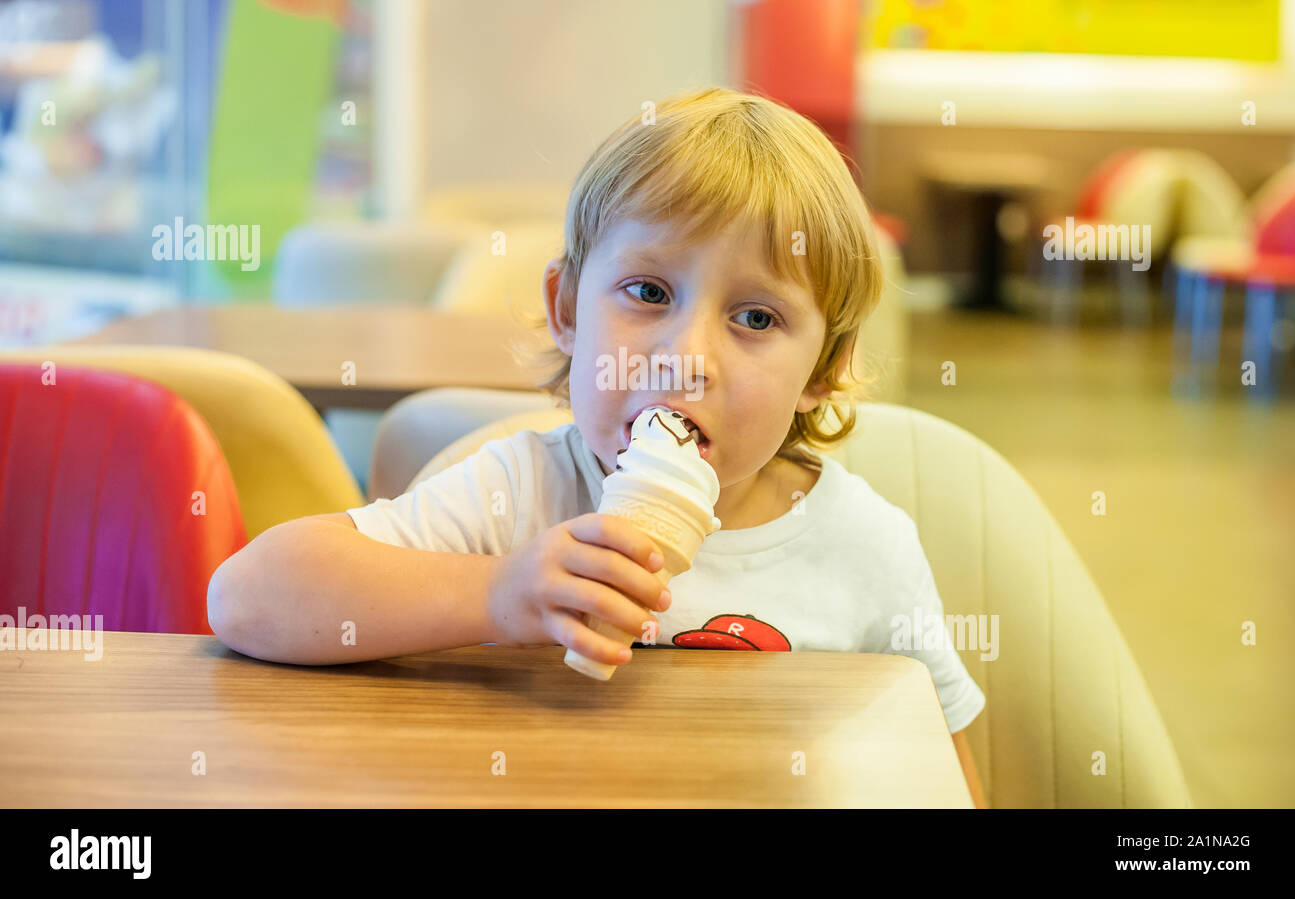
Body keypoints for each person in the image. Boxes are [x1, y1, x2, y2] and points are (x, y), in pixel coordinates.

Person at [207, 86, 988, 807]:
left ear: (824, 368)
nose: (688, 357)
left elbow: (942, 766)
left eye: (755, 318)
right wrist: (496, 593)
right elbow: (246, 597)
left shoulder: (866, 548)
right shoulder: (519, 497)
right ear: (568, 308)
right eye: (649, 293)